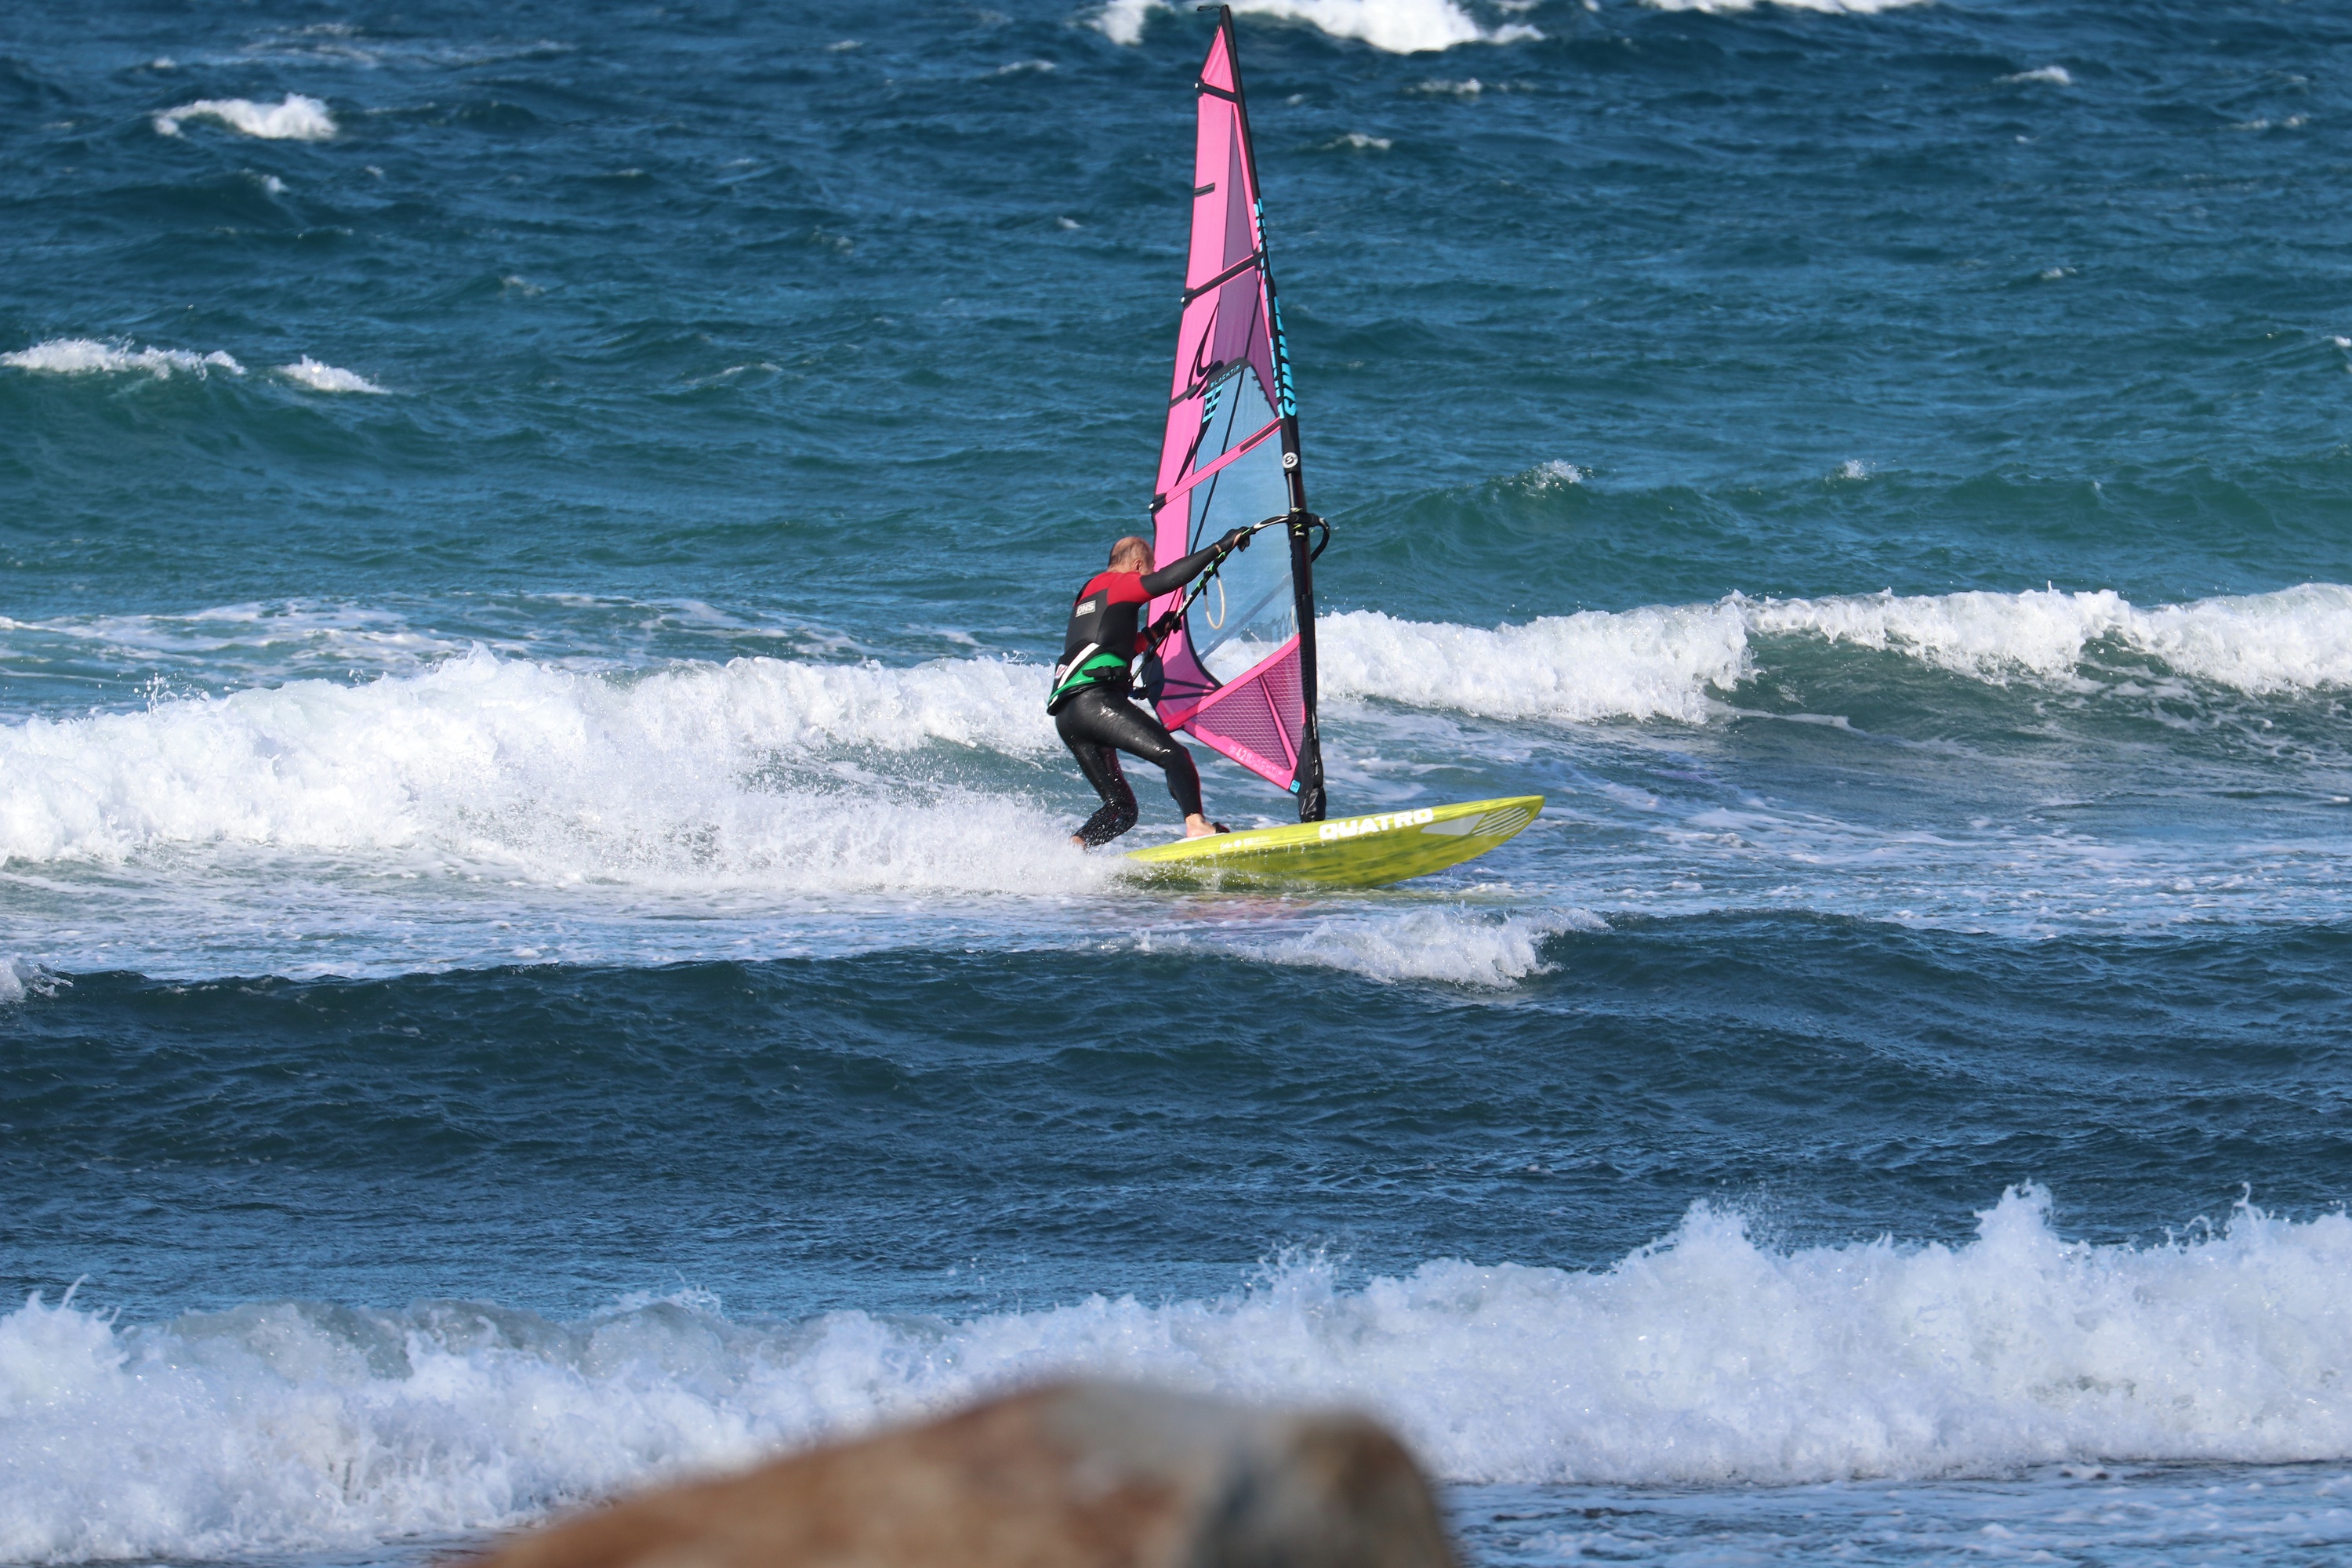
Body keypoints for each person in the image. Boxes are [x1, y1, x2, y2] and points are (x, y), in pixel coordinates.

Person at [1049, 528, 1252, 848]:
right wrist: (1220, 546)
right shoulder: (1120, 583)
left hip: (1069, 716)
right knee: (1175, 756)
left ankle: (1074, 848)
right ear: (1137, 566)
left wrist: (1153, 633)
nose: (1149, 576)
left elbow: (1109, 646)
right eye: (1149, 570)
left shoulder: (1089, 592)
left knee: (1121, 810)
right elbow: (1169, 580)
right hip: (1096, 702)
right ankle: (1197, 825)